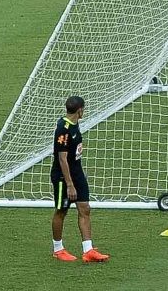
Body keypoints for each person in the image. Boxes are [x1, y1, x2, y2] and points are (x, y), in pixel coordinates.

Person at [51, 95, 108, 262]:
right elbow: (62, 158)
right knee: (62, 210)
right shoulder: (64, 128)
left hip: (77, 174)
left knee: (85, 208)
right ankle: (58, 249)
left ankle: (88, 250)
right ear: (80, 110)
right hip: (63, 177)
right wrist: (69, 185)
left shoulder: (74, 124)